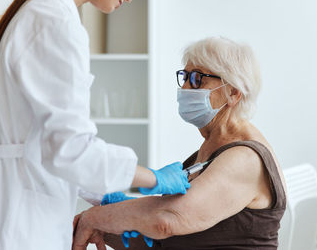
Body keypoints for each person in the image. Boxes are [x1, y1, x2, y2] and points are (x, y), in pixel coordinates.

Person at [0, 0, 190, 250]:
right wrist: (152, 178)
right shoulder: (54, 21)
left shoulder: (45, 13)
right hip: (19, 225)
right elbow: (71, 150)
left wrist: (104, 195)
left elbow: (46, 145)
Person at [72, 37, 287, 250]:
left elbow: (168, 219)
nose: (184, 87)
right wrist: (110, 220)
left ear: (233, 92)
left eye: (197, 79)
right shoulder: (210, 148)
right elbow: (169, 235)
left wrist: (96, 218)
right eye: (184, 77)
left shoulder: (245, 159)